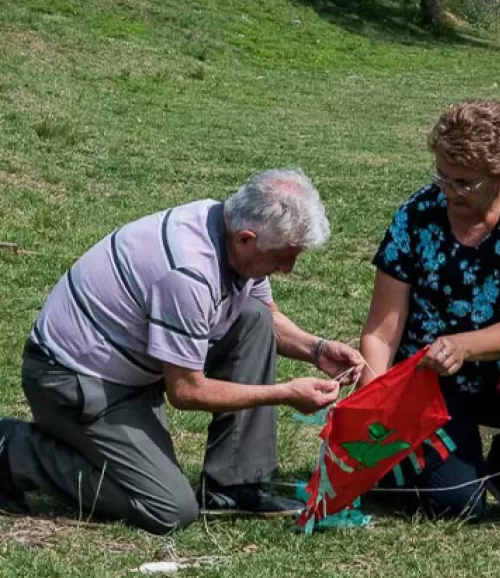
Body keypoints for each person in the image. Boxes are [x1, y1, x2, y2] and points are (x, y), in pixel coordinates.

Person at [0, 169, 365, 534]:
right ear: (245, 240)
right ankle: (15, 450)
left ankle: (234, 486)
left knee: (252, 320)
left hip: (131, 366)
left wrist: (316, 350)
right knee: (168, 508)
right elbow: (187, 391)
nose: (288, 268)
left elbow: (266, 317)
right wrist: (285, 394)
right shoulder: (189, 271)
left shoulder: (228, 227)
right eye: (283, 257)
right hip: (74, 383)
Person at [359, 100, 500, 524]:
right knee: (457, 506)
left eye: (464, 183)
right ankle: (394, 467)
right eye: (442, 176)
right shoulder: (417, 215)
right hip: (430, 380)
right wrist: (370, 410)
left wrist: (460, 346)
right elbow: (381, 331)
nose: (448, 191)